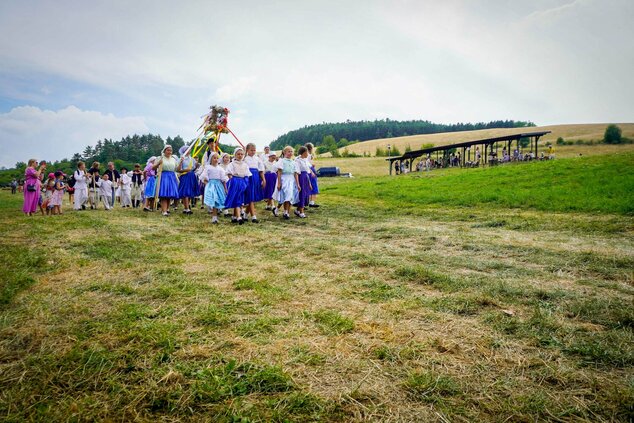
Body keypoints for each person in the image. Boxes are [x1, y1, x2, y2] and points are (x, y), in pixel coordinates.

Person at [224, 147, 251, 224]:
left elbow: (247, 174)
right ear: (235, 155)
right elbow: (229, 173)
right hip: (235, 182)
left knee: (239, 199)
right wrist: (232, 179)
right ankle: (239, 217)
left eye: (241, 154)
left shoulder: (245, 164)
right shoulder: (232, 164)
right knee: (236, 199)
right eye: (238, 154)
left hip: (242, 182)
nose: (240, 155)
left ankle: (234, 216)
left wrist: (245, 182)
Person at [272, 146, 299, 219]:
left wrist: (298, 184)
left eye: (291, 151)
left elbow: (295, 173)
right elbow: (279, 172)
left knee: (290, 196)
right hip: (284, 179)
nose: (290, 153)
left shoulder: (294, 162)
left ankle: (286, 212)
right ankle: (278, 209)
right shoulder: (282, 161)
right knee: (284, 196)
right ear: (284, 152)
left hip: (291, 179)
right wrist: (279, 183)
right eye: (288, 151)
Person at [153, 145, 180, 217]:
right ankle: (164, 211)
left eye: (170, 150)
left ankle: (166, 209)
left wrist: (181, 162)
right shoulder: (160, 158)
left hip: (172, 176)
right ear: (164, 150)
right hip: (164, 176)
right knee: (164, 194)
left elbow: (177, 169)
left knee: (169, 194)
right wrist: (159, 163)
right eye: (168, 150)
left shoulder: (173, 159)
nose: (169, 152)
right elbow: (153, 167)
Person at [201, 152, 228, 224]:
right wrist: (207, 184)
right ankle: (214, 217)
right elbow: (205, 177)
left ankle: (215, 216)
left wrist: (225, 189)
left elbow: (223, 179)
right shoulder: (208, 167)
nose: (216, 159)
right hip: (211, 185)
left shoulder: (220, 168)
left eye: (217, 158)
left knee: (217, 200)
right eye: (214, 158)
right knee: (213, 200)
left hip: (218, 185)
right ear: (211, 159)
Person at [244, 142, 265, 223]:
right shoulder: (245, 159)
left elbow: (261, 170)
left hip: (256, 177)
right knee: (250, 196)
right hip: (248, 177)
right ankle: (253, 216)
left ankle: (245, 214)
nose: (253, 152)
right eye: (251, 150)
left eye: (254, 150)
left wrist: (263, 179)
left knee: (252, 197)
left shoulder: (257, 159)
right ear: (247, 150)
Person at [177, 145, 199, 215]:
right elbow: (178, 170)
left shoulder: (192, 159)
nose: (189, 151)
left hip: (191, 175)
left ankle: (186, 208)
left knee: (189, 192)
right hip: (184, 175)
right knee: (185, 192)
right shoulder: (181, 158)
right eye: (188, 149)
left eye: (190, 149)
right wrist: (184, 167)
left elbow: (193, 169)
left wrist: (196, 167)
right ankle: (187, 208)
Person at [294, 146, 312, 218]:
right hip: (301, 178)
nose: (308, 153)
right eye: (307, 152)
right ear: (304, 152)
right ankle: (301, 212)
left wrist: (309, 183)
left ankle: (298, 210)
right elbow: (297, 173)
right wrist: (298, 184)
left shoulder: (305, 160)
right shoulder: (298, 161)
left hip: (306, 177)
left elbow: (307, 171)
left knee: (305, 195)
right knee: (302, 194)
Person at [305, 143, 320, 208]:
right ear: (311, 148)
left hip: (307, 170)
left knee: (307, 186)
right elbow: (307, 164)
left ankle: (306, 202)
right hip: (310, 170)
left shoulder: (305, 155)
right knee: (313, 185)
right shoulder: (308, 155)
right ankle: (312, 202)